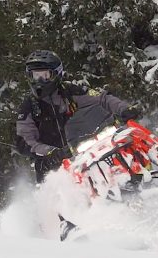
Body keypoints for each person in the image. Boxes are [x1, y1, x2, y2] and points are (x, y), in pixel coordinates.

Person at [16, 50, 142, 183]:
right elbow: (25, 141)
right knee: (57, 186)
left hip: (80, 149)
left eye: (44, 75)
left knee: (122, 143)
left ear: (56, 74)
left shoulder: (71, 92)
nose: (39, 81)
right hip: (53, 165)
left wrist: (124, 109)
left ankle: (146, 170)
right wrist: (52, 152)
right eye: (35, 76)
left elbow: (102, 98)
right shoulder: (29, 107)